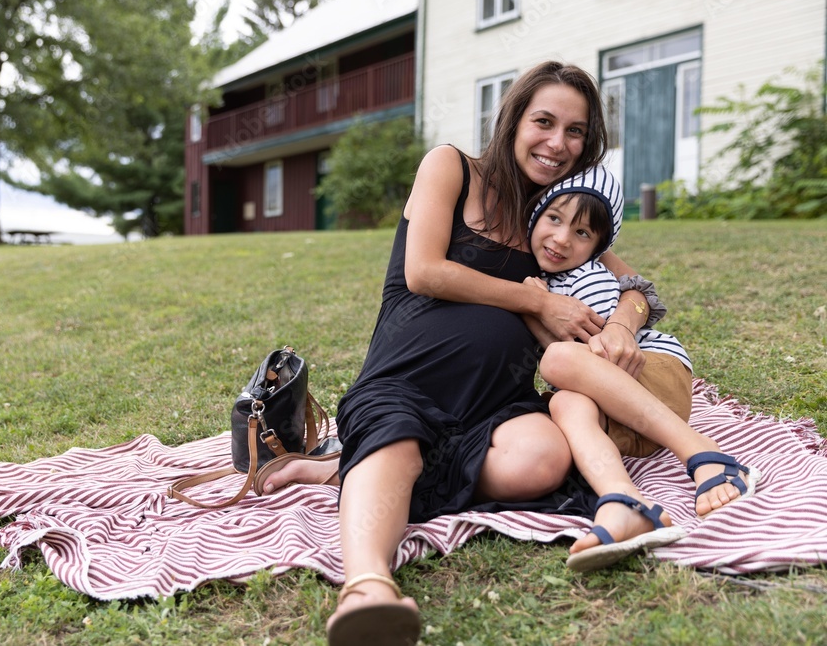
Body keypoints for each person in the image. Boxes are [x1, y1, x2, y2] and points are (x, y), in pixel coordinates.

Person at [258, 61, 704, 646]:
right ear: (514, 117)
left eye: (575, 131)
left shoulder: (559, 207)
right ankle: (368, 585)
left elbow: (635, 284)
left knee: (542, 460)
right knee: (399, 438)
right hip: (412, 372)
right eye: (544, 121)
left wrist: (623, 322)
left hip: (500, 397)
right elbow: (424, 272)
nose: (557, 142)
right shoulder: (452, 167)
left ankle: (340, 468)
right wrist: (537, 303)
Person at [524, 166, 760, 572]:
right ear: (535, 218)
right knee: (565, 403)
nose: (562, 239)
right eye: (554, 219)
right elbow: (558, 357)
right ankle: (625, 502)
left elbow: (641, 293)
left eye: (582, 233)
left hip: (653, 371)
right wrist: (532, 306)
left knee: (559, 360)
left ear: (598, 244)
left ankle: (704, 453)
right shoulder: (532, 283)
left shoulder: (596, 268)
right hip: (617, 416)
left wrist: (620, 326)